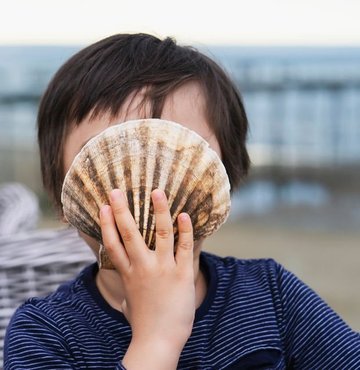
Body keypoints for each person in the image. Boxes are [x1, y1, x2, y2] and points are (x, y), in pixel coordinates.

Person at [4, 33, 359, 369]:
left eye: (178, 155)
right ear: (62, 193)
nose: (149, 192)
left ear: (223, 178)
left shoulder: (271, 295)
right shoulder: (44, 332)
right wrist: (156, 341)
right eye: (111, 159)